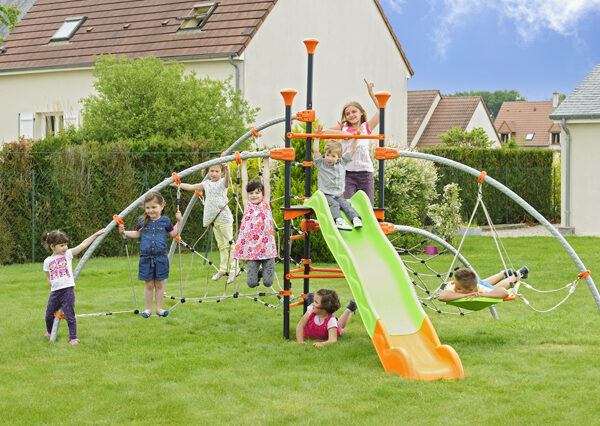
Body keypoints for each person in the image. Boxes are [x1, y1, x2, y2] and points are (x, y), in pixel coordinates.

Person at [171, 163, 239, 284]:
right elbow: (191, 187)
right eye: (211, 171)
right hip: (214, 220)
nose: (214, 173)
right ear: (207, 172)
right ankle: (223, 269)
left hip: (224, 218)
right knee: (221, 245)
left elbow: (228, 180)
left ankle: (235, 269)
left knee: (229, 243)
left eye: (217, 171)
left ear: (222, 173)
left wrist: (227, 169)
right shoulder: (206, 184)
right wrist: (177, 184)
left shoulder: (222, 183)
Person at [118, 191, 183, 318]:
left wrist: (179, 221)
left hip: (161, 258)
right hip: (146, 258)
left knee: (159, 284)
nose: (150, 210)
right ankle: (148, 309)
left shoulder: (165, 221)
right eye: (147, 208)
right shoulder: (142, 220)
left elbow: (173, 233)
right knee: (149, 284)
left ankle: (159, 308)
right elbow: (137, 234)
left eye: (154, 207)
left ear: (162, 206)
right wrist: (124, 233)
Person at [323, 78, 380, 206]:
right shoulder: (343, 127)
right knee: (349, 205)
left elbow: (381, 110)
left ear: (362, 113)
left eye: (354, 111)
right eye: (347, 113)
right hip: (348, 174)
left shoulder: (366, 127)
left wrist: (371, 93)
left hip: (365, 173)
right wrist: (345, 134)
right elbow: (325, 132)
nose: (351, 115)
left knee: (367, 206)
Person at [42, 228, 105, 344]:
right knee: (48, 314)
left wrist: (96, 234)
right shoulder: (47, 261)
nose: (65, 248)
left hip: (67, 291)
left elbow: (83, 244)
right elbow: (47, 274)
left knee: (69, 315)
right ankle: (50, 332)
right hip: (55, 292)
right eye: (62, 245)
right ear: (52, 246)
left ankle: (73, 338)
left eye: (66, 244)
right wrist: (49, 281)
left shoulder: (68, 254)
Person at [233, 155, 277, 288]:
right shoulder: (247, 205)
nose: (254, 195)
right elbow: (244, 182)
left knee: (268, 283)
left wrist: (266, 160)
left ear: (262, 194)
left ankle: (266, 271)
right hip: (252, 251)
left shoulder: (266, 203)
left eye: (257, 193)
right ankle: (257, 273)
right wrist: (244, 161)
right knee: (251, 283)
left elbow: (266, 180)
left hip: (267, 250)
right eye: (251, 193)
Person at [313, 130, 362, 231]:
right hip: (325, 195)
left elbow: (352, 150)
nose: (329, 158)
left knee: (346, 204)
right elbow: (316, 151)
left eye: (333, 156)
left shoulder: (342, 163)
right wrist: (317, 138)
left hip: (337, 195)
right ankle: (339, 220)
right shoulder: (321, 163)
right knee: (334, 205)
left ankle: (355, 218)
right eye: (327, 155)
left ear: (339, 157)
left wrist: (355, 138)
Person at [438, 266, 529, 302]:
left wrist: (483, 295)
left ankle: (518, 274)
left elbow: (504, 293)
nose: (455, 289)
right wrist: (466, 295)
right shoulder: (457, 287)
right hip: (477, 284)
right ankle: (503, 274)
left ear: (471, 289)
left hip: (482, 287)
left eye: (458, 289)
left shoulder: (482, 290)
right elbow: (442, 297)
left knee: (494, 287)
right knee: (482, 282)